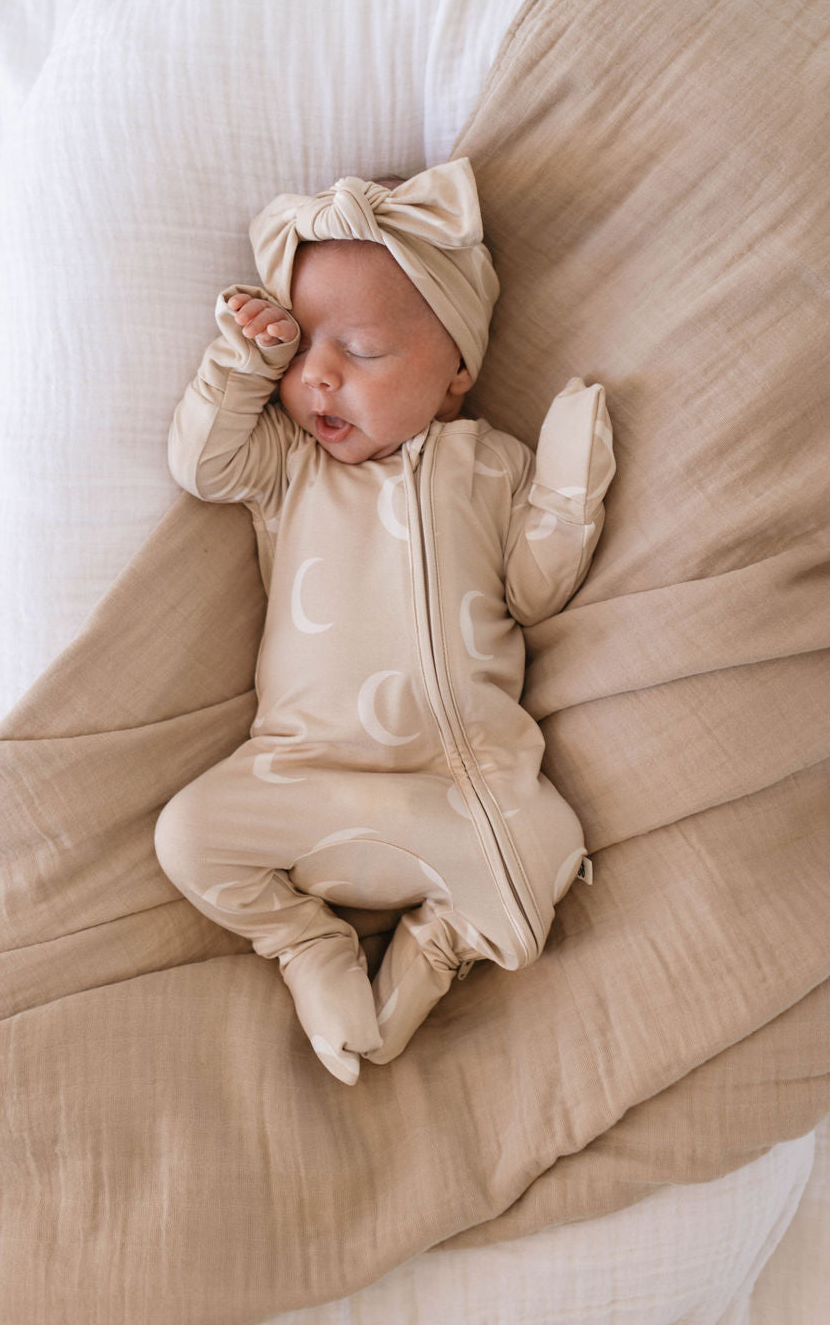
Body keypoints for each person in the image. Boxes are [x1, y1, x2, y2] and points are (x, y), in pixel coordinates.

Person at [154, 158, 615, 1084]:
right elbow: (202, 466)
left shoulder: (489, 466)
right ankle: (306, 948)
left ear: (456, 370)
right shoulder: (291, 468)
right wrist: (245, 359)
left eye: (360, 353)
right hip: (302, 778)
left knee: (545, 851)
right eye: (302, 353)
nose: (319, 377)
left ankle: (435, 948)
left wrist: (566, 488)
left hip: (454, 782)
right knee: (188, 834)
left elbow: (533, 590)